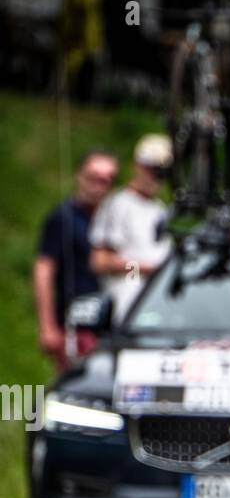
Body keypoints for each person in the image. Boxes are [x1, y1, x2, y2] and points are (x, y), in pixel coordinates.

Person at [33, 149, 117, 366]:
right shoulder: (63, 218)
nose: (99, 185)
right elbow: (44, 269)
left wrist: (133, 268)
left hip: (115, 326)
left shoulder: (115, 221)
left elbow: (132, 269)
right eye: (93, 177)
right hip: (77, 325)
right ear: (79, 176)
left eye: (107, 180)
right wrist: (47, 326)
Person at [89, 134, 172, 321]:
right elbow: (100, 260)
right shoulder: (119, 204)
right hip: (128, 306)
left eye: (162, 173)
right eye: (152, 170)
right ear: (138, 166)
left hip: (159, 305)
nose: (156, 178)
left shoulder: (160, 209)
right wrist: (141, 269)